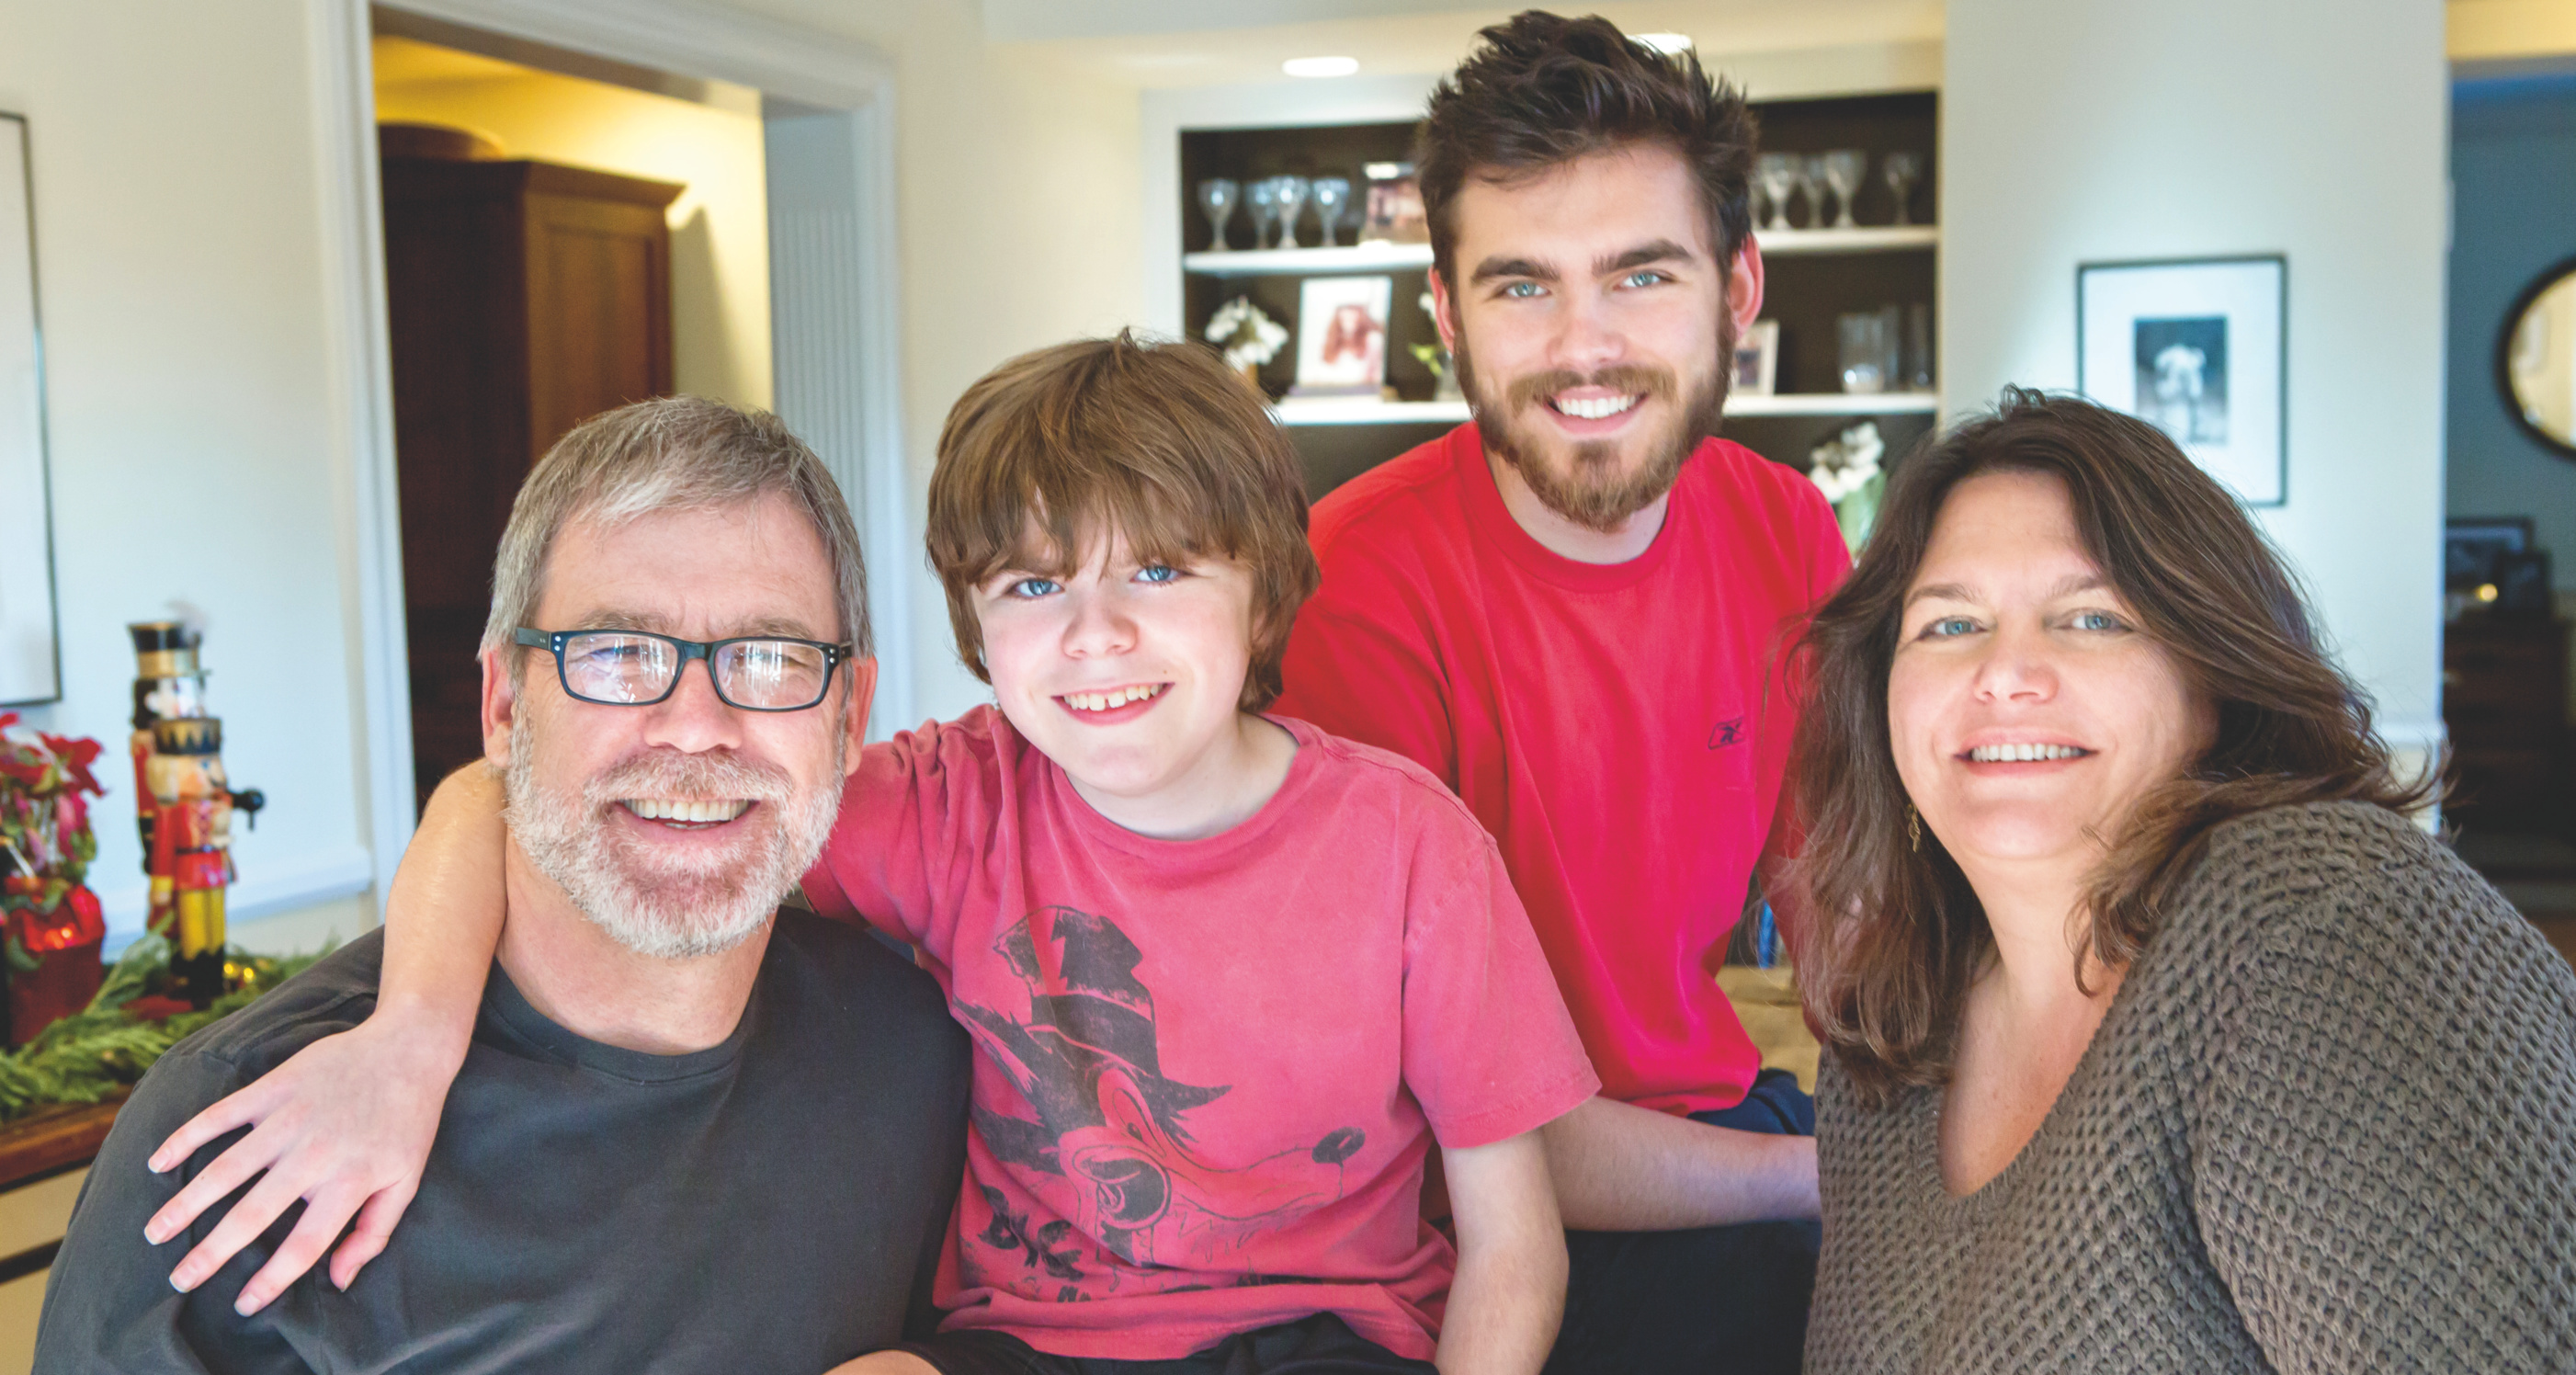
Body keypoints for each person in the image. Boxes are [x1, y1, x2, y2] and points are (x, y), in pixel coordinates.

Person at [138, 335, 1599, 1375]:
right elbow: (497, 795)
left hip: (1327, 1341)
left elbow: (1513, 1246)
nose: (1096, 636)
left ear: (1263, 589)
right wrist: (408, 1042)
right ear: (974, 628)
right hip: (1026, 1348)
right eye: (1033, 584)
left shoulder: (1408, 846)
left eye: (1158, 571)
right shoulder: (946, 805)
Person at [35, 397, 973, 1371]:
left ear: (848, 716)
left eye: (770, 658)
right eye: (618, 652)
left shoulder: (913, 1052)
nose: (696, 727)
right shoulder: (243, 1135)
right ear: (503, 707)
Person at [1269, 14, 1845, 1371]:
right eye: (1521, 285)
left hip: (1717, 1129)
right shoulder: (1349, 585)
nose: (1584, 346)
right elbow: (1445, 1125)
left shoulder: (1784, 530)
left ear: (1738, 288)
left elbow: (1839, 909)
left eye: (1640, 275)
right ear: (1444, 313)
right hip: (1460, 1221)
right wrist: (1826, 1177)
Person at [1788, 389, 2576, 1369]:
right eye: (1949, 626)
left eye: (2090, 618)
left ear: (2215, 678)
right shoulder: (1886, 1037)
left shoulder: (2316, 929)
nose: (2005, 673)